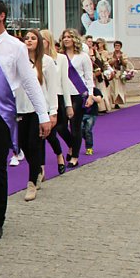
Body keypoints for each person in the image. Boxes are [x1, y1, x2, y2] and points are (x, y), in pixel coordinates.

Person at [0, 0, 50, 242]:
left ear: (1, 17)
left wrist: (43, 114)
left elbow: (29, 82)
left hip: (2, 112)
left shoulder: (16, 47)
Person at [17, 30, 59, 202]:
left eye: (33, 38)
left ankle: (31, 183)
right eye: (26, 38)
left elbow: (52, 89)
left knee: (34, 145)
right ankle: (37, 170)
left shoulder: (47, 62)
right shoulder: (19, 61)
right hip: (20, 109)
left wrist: (52, 112)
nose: (29, 41)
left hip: (38, 111)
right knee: (22, 144)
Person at [56, 29, 95, 168]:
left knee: (75, 126)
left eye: (69, 37)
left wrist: (90, 94)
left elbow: (89, 77)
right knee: (60, 126)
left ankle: (74, 156)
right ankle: (72, 145)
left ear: (74, 39)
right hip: (61, 93)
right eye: (64, 37)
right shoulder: (59, 56)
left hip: (77, 94)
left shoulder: (83, 56)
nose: (66, 39)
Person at [40, 29, 73, 175]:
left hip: (56, 98)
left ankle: (60, 155)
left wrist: (68, 105)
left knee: (53, 132)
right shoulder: (33, 58)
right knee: (40, 135)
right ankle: (40, 167)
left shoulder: (60, 58)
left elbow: (64, 82)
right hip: (40, 99)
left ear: (49, 41)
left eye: (43, 39)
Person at [81, 87, 104, 156]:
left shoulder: (95, 90)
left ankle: (89, 147)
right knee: (80, 130)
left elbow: (99, 100)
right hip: (81, 113)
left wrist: (91, 96)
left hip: (91, 113)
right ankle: (88, 139)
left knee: (88, 130)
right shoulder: (80, 89)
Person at [108, 41, 129, 108]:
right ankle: (114, 102)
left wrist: (121, 58)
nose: (117, 47)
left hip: (120, 73)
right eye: (116, 45)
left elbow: (125, 63)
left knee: (120, 89)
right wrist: (115, 59)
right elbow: (108, 63)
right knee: (113, 88)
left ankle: (119, 102)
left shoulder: (123, 54)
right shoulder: (111, 54)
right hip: (113, 72)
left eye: (118, 46)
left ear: (120, 47)